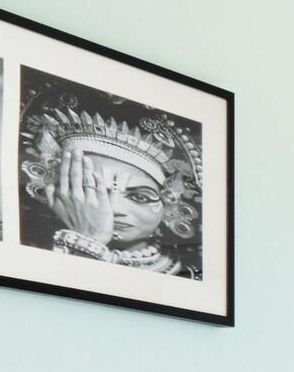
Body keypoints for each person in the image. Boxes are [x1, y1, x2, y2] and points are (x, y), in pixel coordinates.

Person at [19, 99, 202, 277]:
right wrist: (88, 239)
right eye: (90, 189)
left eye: (139, 197)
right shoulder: (27, 259)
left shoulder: (192, 274)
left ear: (170, 205)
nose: (113, 209)